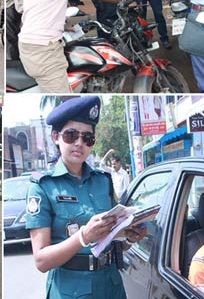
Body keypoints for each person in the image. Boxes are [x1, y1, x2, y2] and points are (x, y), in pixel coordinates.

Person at [26, 96, 145, 299]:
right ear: (56, 137)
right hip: (70, 289)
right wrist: (83, 237)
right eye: (71, 135)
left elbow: (111, 237)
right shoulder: (43, 186)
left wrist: (128, 237)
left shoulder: (103, 180)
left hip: (110, 284)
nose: (79, 143)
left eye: (87, 138)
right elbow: (41, 261)